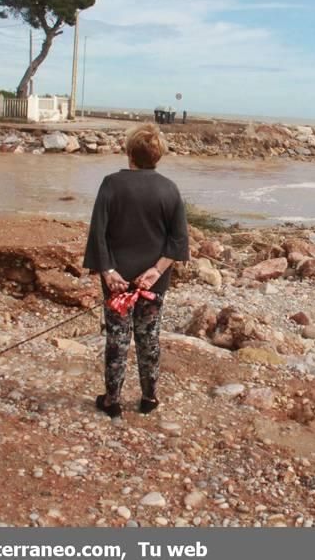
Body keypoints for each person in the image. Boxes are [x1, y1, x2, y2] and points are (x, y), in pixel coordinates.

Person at [83, 123, 190, 418]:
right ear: (159, 155)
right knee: (149, 337)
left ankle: (112, 401)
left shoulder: (111, 184)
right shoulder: (169, 189)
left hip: (117, 280)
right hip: (152, 282)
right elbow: (179, 239)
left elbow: (98, 233)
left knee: (117, 338)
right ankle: (149, 399)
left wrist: (108, 271)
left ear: (128, 152)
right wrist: (156, 271)